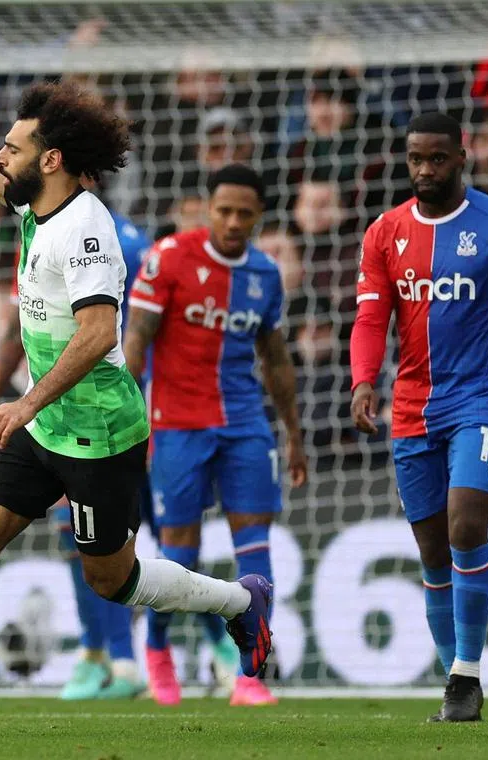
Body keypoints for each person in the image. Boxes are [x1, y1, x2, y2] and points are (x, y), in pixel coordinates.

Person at [0, 24, 272, 735]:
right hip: (47, 422)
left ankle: (241, 603)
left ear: (50, 160)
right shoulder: (34, 202)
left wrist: (23, 401)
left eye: (15, 149)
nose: (2, 156)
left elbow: (97, 334)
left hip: (99, 431)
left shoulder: (84, 230)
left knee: (112, 581)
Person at [350, 112, 488, 723]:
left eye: (437, 159)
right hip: (411, 409)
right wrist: (363, 380)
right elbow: (370, 318)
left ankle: (466, 675)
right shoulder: (384, 233)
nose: (425, 171)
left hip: (482, 402)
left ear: (461, 158)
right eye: (415, 159)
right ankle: (455, 683)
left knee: (468, 526)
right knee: (434, 552)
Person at [123, 165, 308, 708]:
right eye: (223, 210)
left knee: (255, 544)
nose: (231, 221)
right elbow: (136, 341)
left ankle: (250, 675)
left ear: (259, 217)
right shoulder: (169, 258)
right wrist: (122, 423)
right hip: (175, 423)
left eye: (243, 213)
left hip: (246, 423)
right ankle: (158, 651)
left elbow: (274, 359)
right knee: (180, 549)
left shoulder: (265, 275)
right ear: (209, 208)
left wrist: (293, 435)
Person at [0, 175, 152, 702]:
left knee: (134, 543)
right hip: (55, 413)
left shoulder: (119, 242)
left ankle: (141, 656)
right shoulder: (34, 228)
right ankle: (100, 653)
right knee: (75, 537)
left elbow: (128, 336)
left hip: (118, 417)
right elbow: (18, 325)